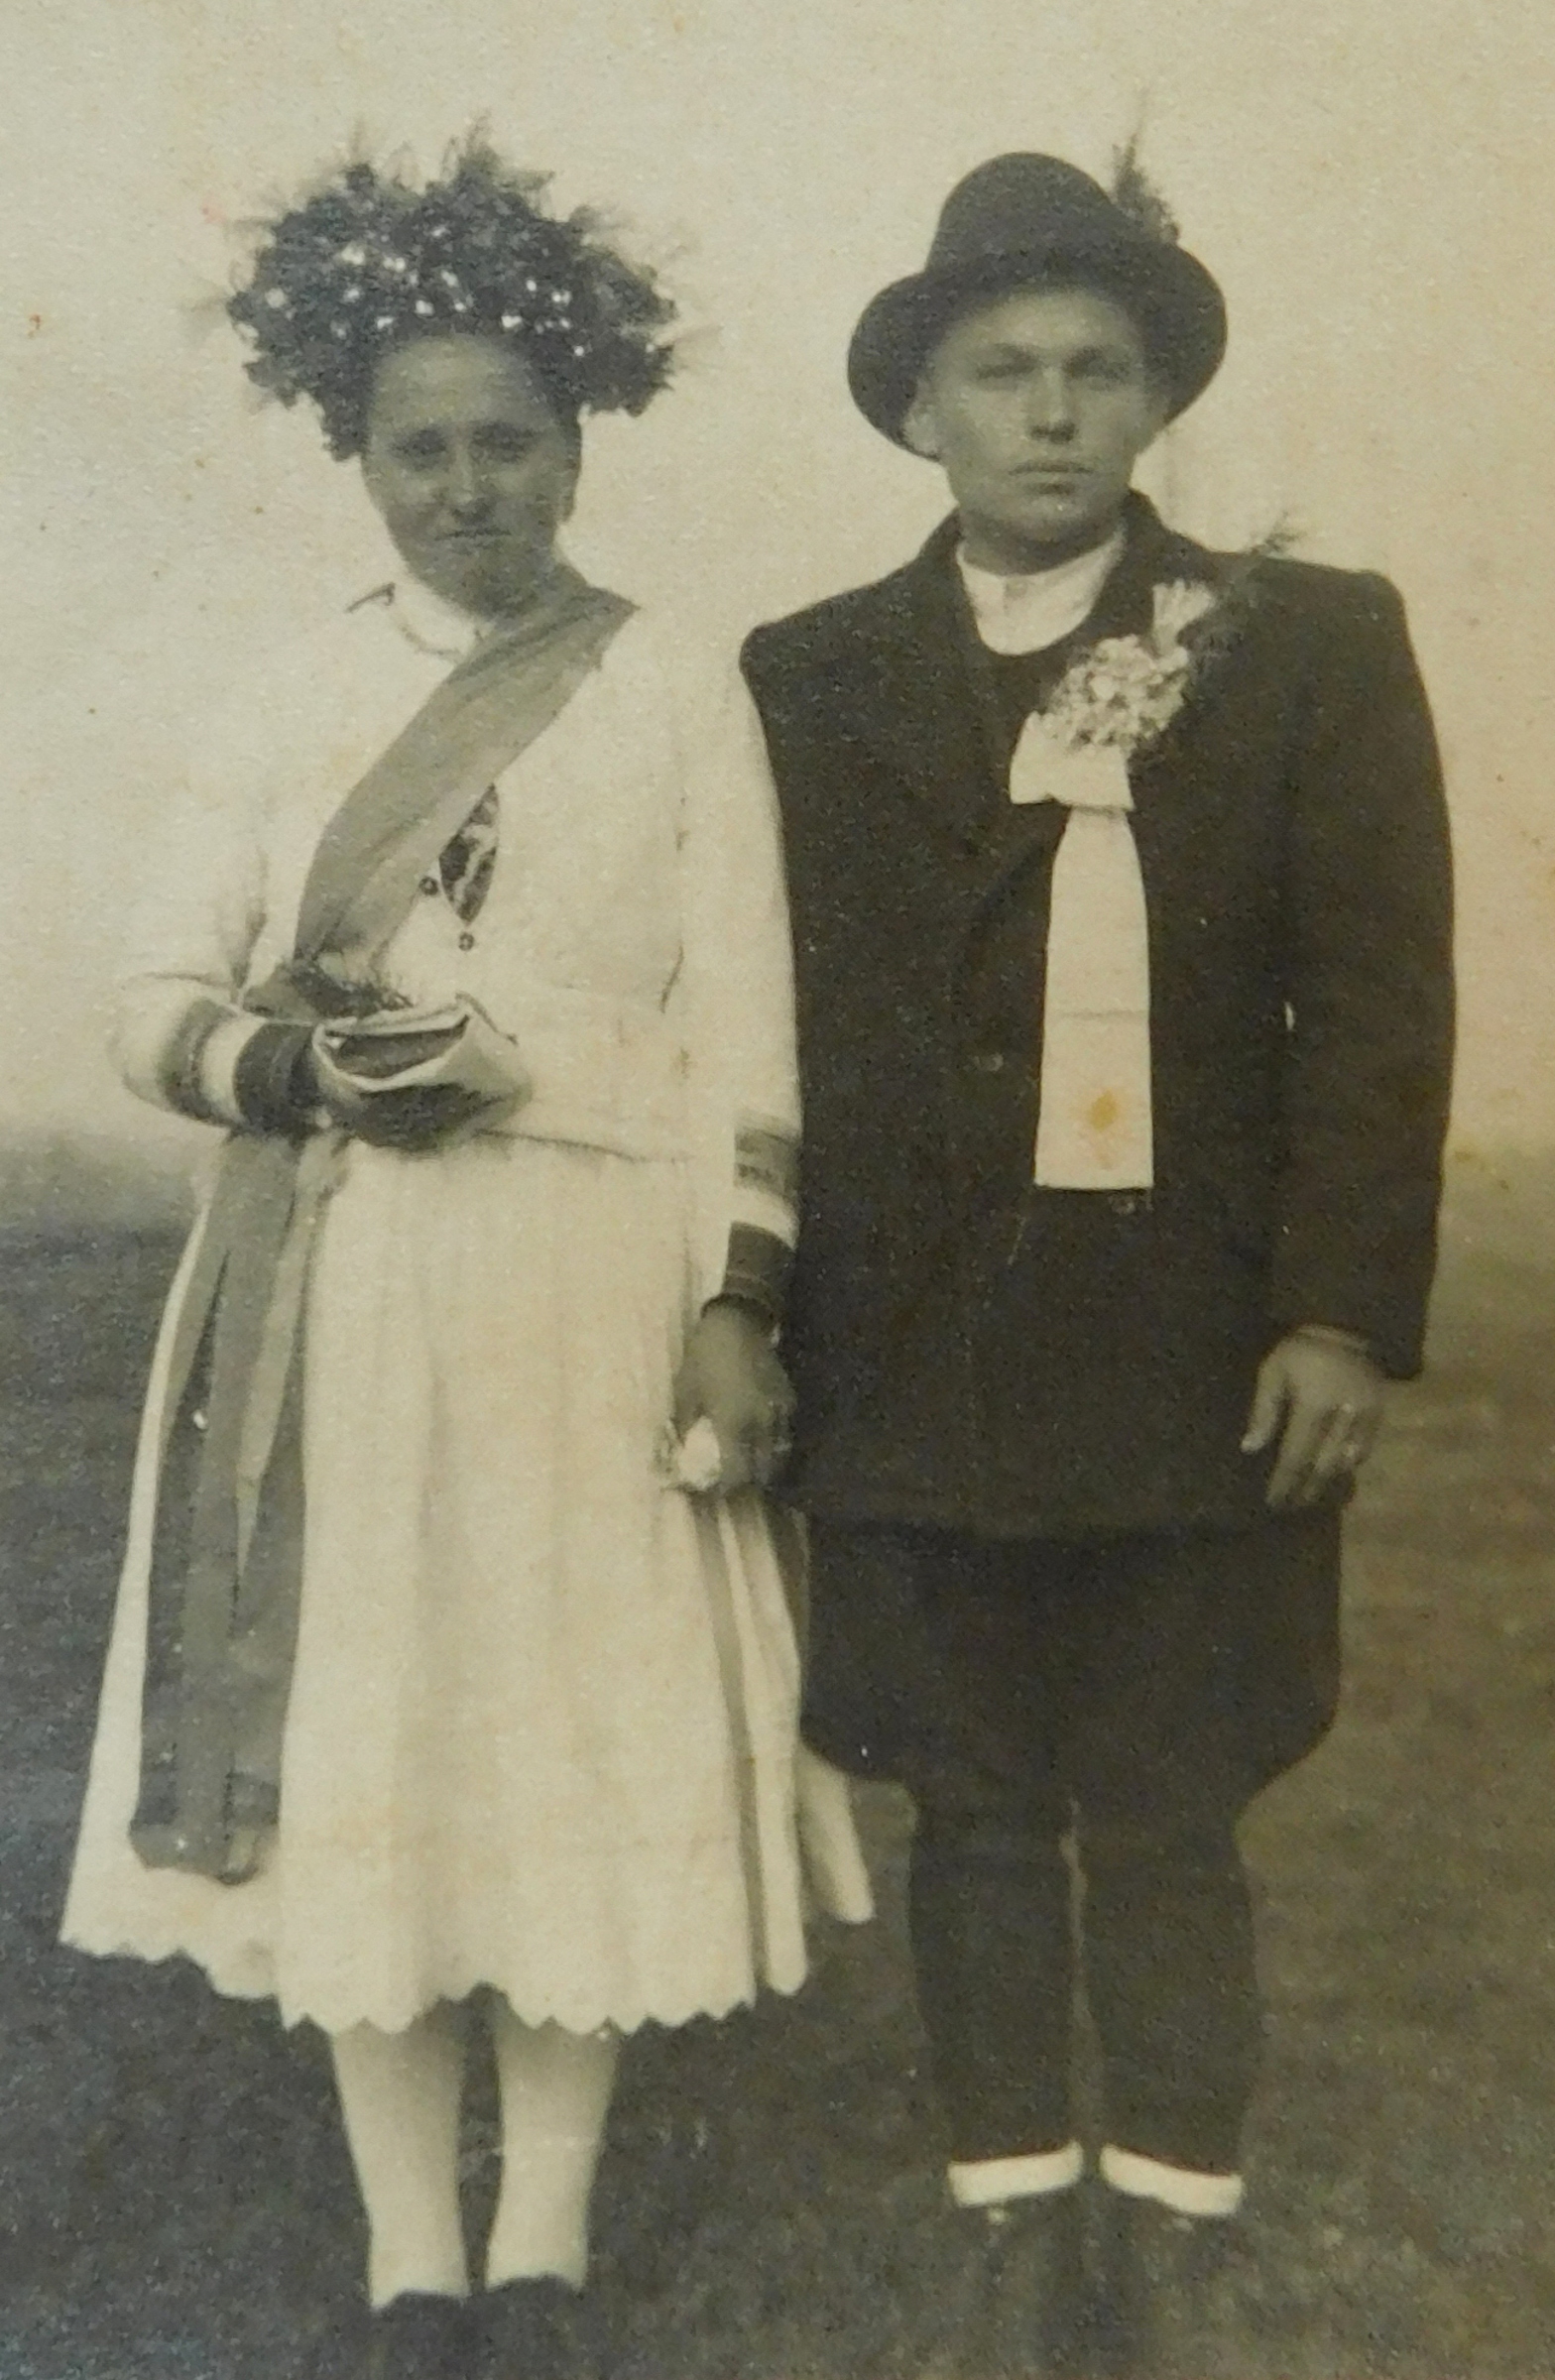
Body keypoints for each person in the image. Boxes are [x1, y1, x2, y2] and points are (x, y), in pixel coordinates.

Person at [61, 140, 868, 2380]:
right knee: (378, 1720)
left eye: (508, 440)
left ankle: (551, 2236)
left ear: (577, 443)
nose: (466, 488)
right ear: (357, 456)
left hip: (592, 1283)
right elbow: (149, 1007)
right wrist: (299, 1073)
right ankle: (413, 2253)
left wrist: (736, 1299)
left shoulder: (671, 684)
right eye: (419, 448)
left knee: (568, 1722)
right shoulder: (283, 695)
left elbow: (750, 1026)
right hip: (340, 1285)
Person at [742, 152, 1454, 2376]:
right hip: (919, 1340)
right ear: (918, 410)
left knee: (1165, 1794)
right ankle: (1002, 2201)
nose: (1049, 411)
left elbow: (1378, 1001)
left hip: (1187, 1336)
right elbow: (765, 1010)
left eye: (1094, 369)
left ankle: (1171, 2206)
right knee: (965, 1796)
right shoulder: (805, 674)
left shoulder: (1300, 642)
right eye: (999, 372)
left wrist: (1337, 1310)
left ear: (1155, 403)